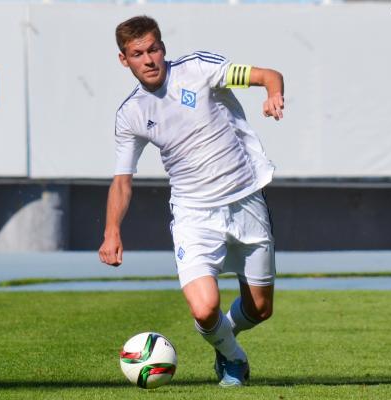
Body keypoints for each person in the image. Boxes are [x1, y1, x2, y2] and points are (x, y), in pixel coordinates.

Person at [99, 15, 284, 387]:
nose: (148, 60)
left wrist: (273, 94)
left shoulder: (198, 70)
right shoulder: (131, 114)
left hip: (246, 200)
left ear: (163, 48)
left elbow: (268, 75)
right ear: (124, 59)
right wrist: (112, 231)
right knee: (203, 308)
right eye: (138, 54)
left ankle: (223, 336)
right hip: (194, 213)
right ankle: (233, 359)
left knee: (260, 309)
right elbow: (122, 180)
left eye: (153, 49)